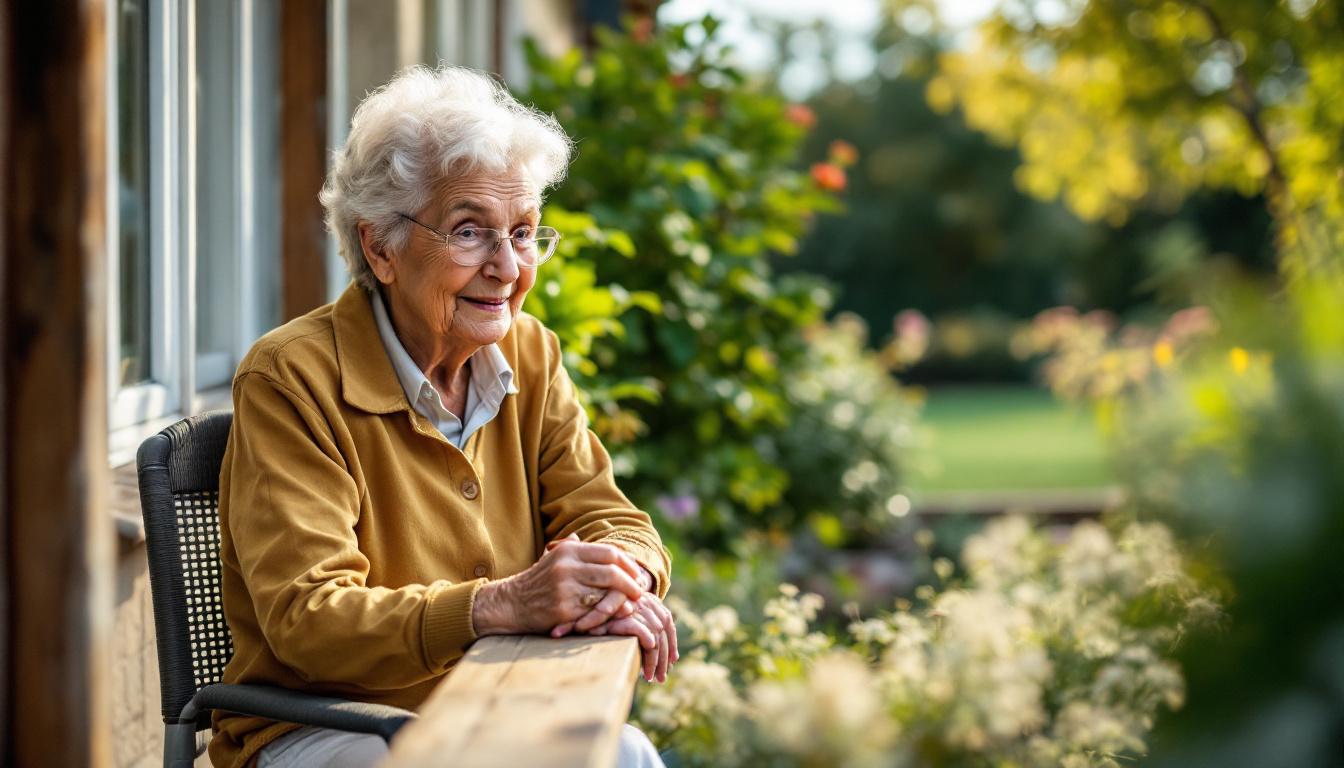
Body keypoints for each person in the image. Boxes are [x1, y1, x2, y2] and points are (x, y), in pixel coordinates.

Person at [210, 65, 677, 768]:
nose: (508, 266)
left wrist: (620, 579)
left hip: (498, 704)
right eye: (470, 233)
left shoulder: (531, 352)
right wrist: (500, 605)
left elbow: (612, 519)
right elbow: (308, 618)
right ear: (380, 246)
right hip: (326, 730)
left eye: (523, 232)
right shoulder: (291, 379)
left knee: (628, 754)